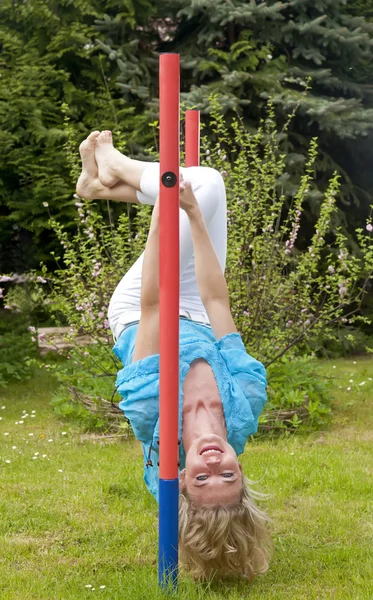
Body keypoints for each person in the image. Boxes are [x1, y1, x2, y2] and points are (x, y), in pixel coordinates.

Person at [76, 130, 272, 580]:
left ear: (181, 480)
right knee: (207, 189)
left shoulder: (152, 412)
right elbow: (218, 302)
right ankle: (96, 184)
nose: (213, 464)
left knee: (198, 182)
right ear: (239, 470)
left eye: (202, 479)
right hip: (201, 311)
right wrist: (192, 218)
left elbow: (153, 304)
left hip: (141, 308)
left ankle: (113, 163)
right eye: (228, 477)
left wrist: (165, 213)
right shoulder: (244, 402)